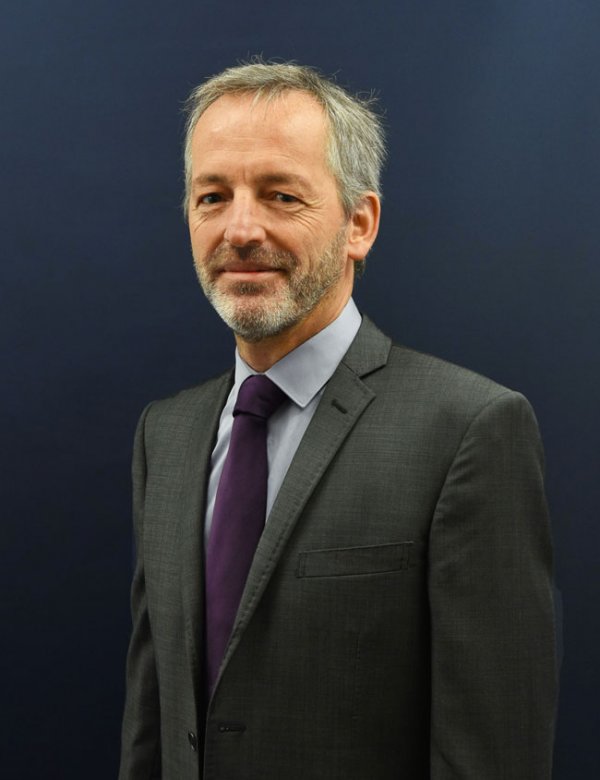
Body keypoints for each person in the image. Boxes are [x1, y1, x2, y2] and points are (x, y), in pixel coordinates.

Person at [118, 61, 557, 780]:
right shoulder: (162, 436)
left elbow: (493, 752)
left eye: (281, 195)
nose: (240, 228)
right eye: (212, 196)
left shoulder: (469, 432)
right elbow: (151, 727)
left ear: (360, 224)